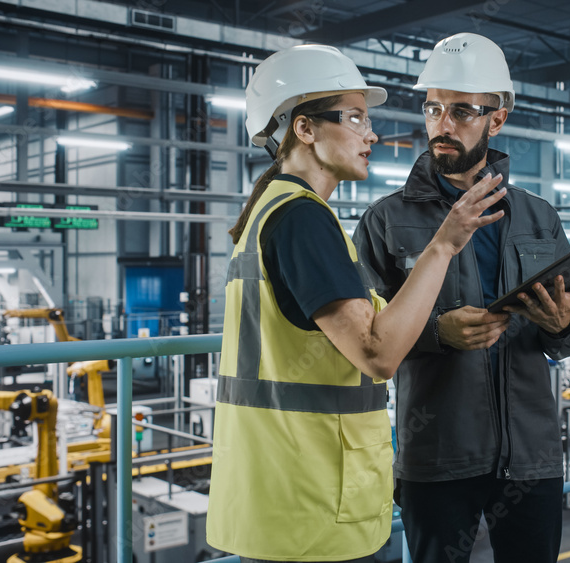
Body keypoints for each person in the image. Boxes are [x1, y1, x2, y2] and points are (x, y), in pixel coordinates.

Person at [207, 44, 506, 563]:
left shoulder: (275, 212)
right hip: (312, 503)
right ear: (305, 129)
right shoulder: (302, 219)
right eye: (355, 119)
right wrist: (444, 243)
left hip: (281, 497)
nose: (372, 135)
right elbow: (377, 352)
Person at [353, 33, 570, 563]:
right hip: (437, 455)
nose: (443, 123)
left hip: (530, 457)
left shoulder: (537, 217)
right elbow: (362, 342)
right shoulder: (386, 221)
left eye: (462, 110)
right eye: (434, 107)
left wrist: (562, 325)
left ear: (498, 117)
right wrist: (438, 333)